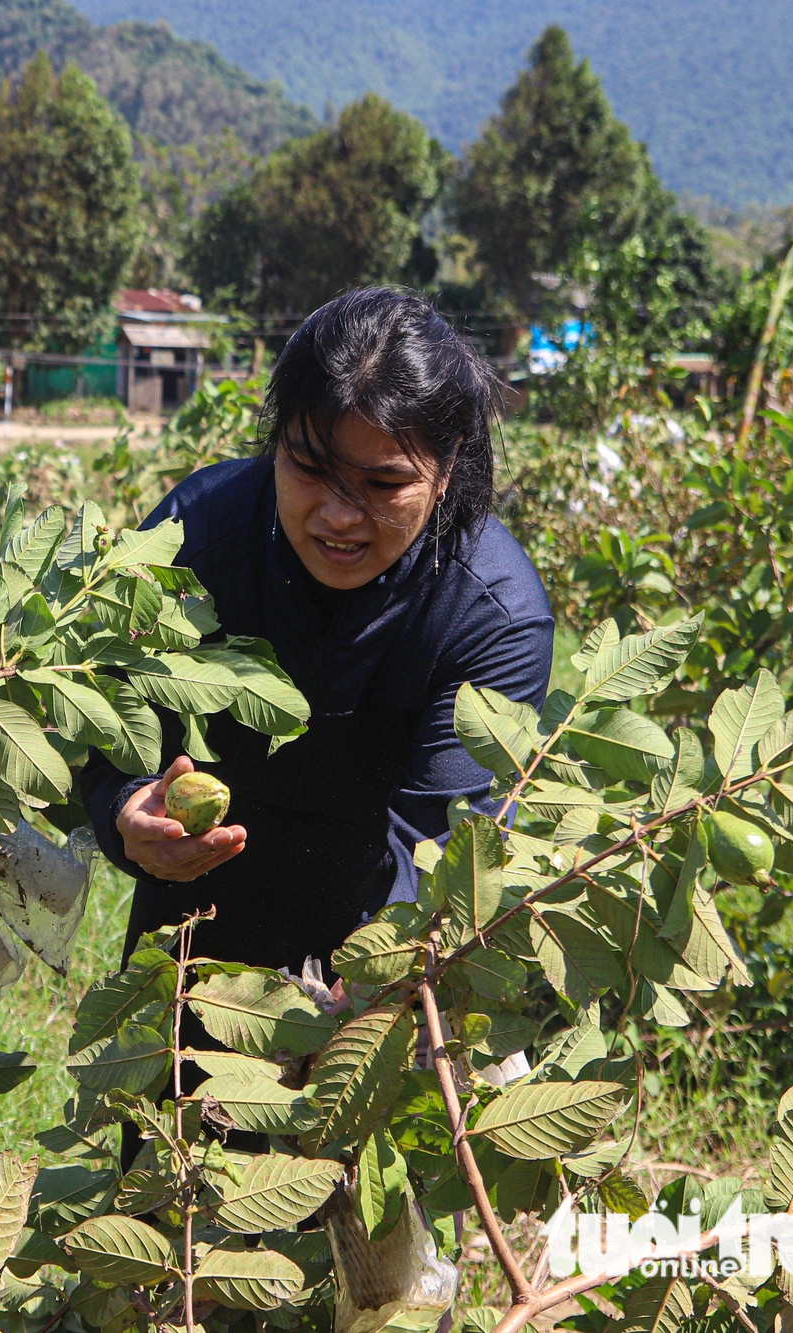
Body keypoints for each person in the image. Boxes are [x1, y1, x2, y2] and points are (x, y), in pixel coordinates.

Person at [81, 287, 555, 983]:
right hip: (189, 944)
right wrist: (129, 811)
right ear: (277, 439)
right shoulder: (193, 543)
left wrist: (371, 981)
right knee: (169, 1092)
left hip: (388, 952)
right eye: (309, 466)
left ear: (447, 467)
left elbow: (448, 845)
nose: (338, 515)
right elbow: (108, 739)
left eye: (383, 482)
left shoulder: (491, 614)